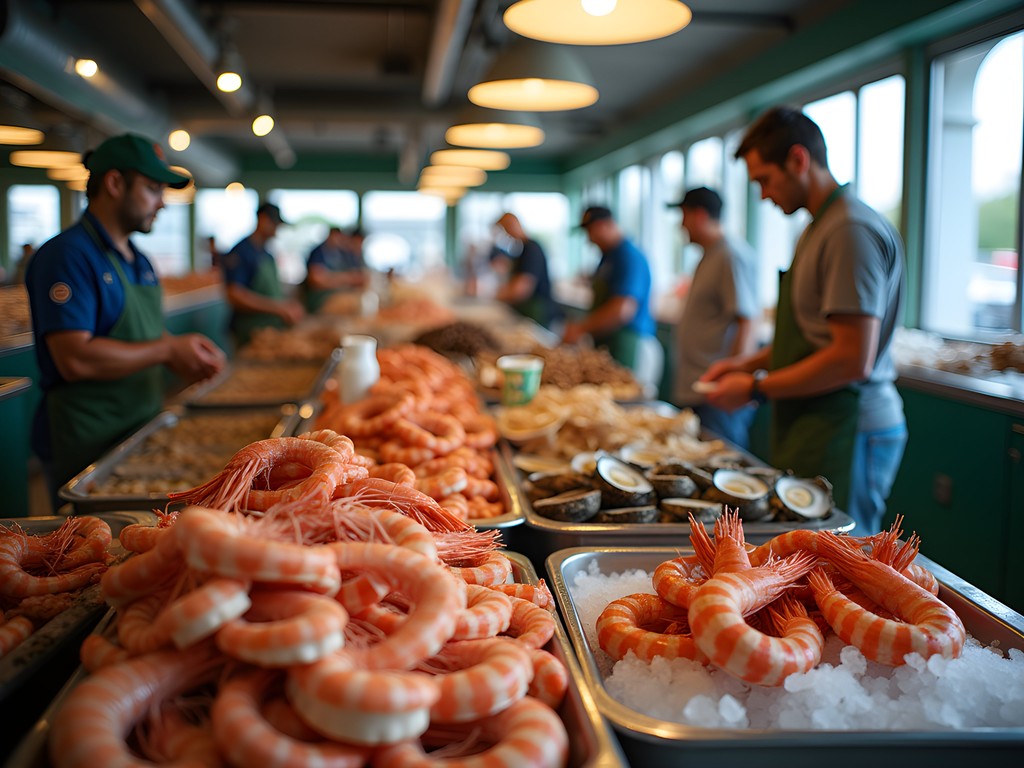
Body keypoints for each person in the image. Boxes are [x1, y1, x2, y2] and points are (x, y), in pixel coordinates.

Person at [701, 105, 907, 534]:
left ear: (798, 159)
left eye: (765, 180)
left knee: (846, 557)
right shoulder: (819, 227)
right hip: (819, 415)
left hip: (851, 424)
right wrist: (744, 364)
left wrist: (755, 387)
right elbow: (811, 340)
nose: (762, 195)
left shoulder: (849, 230)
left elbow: (852, 358)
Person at [25, 133, 226, 505]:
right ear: (115, 184)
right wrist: (167, 349)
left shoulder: (140, 261)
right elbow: (75, 358)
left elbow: (147, 336)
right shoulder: (68, 256)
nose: (162, 204)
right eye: (152, 189)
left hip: (139, 428)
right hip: (86, 439)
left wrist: (183, 355)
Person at [670, 187, 760, 449]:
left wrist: (730, 382)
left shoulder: (731, 256)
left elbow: (748, 321)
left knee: (722, 466)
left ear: (698, 216)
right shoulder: (710, 254)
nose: (681, 225)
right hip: (699, 388)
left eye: (683, 216)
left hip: (716, 395)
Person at [564, 205, 662, 391]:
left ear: (603, 226)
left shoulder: (629, 257)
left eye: (590, 232)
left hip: (630, 345)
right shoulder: (609, 256)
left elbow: (622, 310)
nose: (589, 239)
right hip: (611, 344)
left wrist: (581, 328)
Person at [221, 202, 305, 347]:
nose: (277, 230)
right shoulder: (242, 252)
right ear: (263, 220)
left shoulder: (267, 255)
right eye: (275, 224)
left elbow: (272, 291)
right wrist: (277, 307)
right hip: (250, 331)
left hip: (271, 328)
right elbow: (234, 294)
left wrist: (288, 304)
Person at [493, 212, 561, 331]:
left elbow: (521, 290)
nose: (505, 234)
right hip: (528, 309)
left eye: (505, 229)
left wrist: (493, 296)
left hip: (537, 311)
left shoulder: (532, 249)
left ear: (513, 225)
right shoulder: (521, 249)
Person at [303, 225, 368, 312]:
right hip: (321, 298)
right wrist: (344, 279)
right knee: (354, 303)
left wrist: (333, 278)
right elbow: (316, 280)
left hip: (338, 293)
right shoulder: (318, 252)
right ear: (329, 235)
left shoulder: (340, 253)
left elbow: (356, 277)